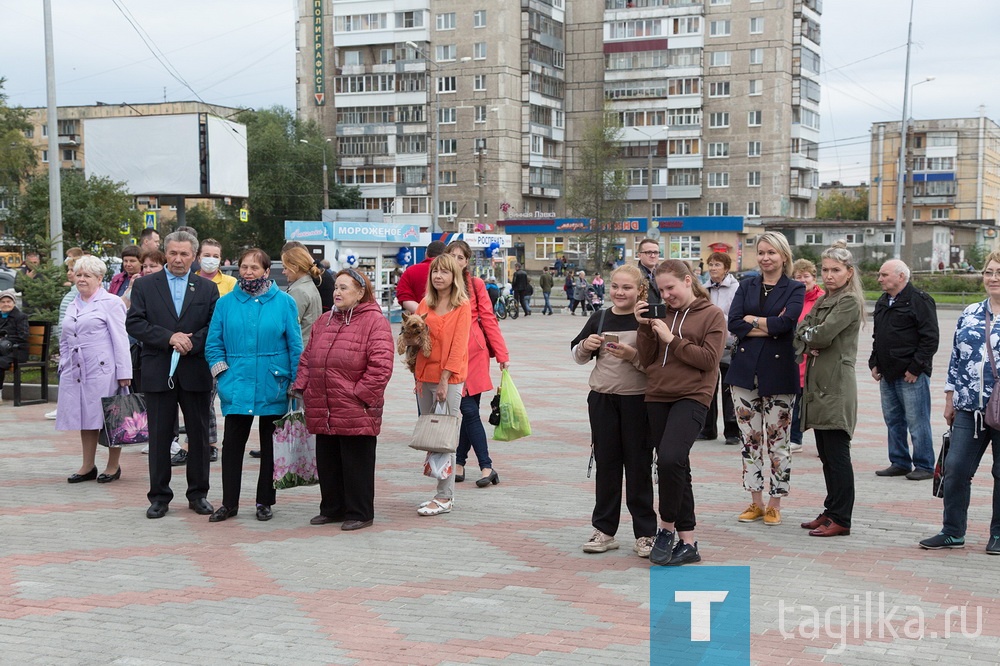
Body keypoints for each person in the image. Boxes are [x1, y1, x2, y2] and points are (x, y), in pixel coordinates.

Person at [636, 260, 726, 566]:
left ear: (688, 281)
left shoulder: (711, 314)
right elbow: (647, 360)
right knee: (677, 467)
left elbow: (708, 360)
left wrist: (671, 340)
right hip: (657, 394)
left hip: (693, 394)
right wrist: (644, 327)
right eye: (661, 290)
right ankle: (689, 543)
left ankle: (666, 528)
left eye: (670, 287)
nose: (666, 295)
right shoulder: (661, 314)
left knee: (671, 458)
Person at [126, 230, 219, 519]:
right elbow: (135, 323)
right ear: (166, 253)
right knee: (159, 437)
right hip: (158, 371)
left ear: (194, 257)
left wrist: (192, 342)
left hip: (195, 371)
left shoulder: (206, 289)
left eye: (185, 254)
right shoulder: (145, 286)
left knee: (199, 436)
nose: (179, 259)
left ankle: (198, 494)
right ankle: (159, 497)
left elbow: (214, 326)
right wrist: (169, 337)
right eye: (174, 253)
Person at [205, 249, 302, 523]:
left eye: (255, 268)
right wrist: (222, 375)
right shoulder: (225, 303)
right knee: (232, 445)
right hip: (236, 382)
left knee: (271, 447)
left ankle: (265, 501)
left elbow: (295, 345)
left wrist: (296, 381)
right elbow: (213, 345)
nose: (249, 272)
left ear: (266, 271)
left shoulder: (284, 302)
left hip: (274, 380)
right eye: (244, 267)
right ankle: (229, 503)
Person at [293, 268, 393, 530]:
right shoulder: (325, 320)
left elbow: (381, 366)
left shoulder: (374, 321)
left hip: (355, 406)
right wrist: (302, 387)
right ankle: (332, 508)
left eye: (344, 288)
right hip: (322, 403)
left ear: (361, 292)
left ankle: (360, 512)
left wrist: (360, 396)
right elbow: (307, 357)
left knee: (355, 462)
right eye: (336, 287)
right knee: (328, 460)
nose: (337, 292)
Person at [571, 265, 656, 558]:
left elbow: (657, 365)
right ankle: (604, 530)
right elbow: (577, 355)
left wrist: (632, 355)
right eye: (615, 287)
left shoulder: (648, 319)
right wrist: (586, 344)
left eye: (627, 288)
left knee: (638, 466)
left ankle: (646, 533)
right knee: (606, 465)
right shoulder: (601, 317)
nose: (620, 293)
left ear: (639, 291)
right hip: (603, 400)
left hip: (638, 401)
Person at [919, 252, 1000, 553]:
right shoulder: (970, 312)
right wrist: (950, 397)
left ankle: (999, 534)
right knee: (955, 469)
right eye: (989, 272)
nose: (993, 278)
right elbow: (956, 358)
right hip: (968, 407)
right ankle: (952, 531)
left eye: (999, 272)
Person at [727, 232, 804, 528]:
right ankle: (755, 501)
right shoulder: (746, 285)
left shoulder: (795, 288)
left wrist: (753, 321)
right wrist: (768, 326)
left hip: (779, 374)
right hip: (744, 374)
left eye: (771, 252)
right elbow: (734, 323)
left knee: (778, 441)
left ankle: (775, 503)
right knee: (750, 441)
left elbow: (787, 325)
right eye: (761, 252)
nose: (765, 258)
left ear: (783, 256)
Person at [795, 241, 864, 538]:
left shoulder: (848, 301)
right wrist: (810, 338)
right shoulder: (826, 299)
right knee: (826, 454)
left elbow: (820, 335)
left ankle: (842, 518)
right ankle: (831, 509)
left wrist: (811, 338)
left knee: (837, 455)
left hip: (835, 386)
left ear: (849, 273)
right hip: (819, 385)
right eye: (825, 269)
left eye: (835, 270)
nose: (829, 275)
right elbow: (802, 329)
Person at [55, 257, 132, 483]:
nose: (81, 279)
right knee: (84, 417)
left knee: (110, 417)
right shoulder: (72, 303)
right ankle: (87, 465)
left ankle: (112, 466)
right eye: (79, 275)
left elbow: (120, 339)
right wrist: (63, 363)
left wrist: (123, 373)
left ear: (99, 279)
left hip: (103, 370)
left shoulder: (111, 302)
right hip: (76, 371)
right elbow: (65, 337)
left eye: (87, 275)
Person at [446, 241, 510, 487]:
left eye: (461, 257)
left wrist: (502, 355)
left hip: (475, 355)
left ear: (466, 262)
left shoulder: (476, 284)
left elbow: (488, 319)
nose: (456, 260)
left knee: (468, 410)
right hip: (450, 357)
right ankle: (485, 465)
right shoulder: (439, 283)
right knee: (469, 411)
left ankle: (465, 464)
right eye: (452, 256)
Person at [870, 260, 939, 481]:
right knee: (893, 420)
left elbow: (930, 339)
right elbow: (877, 335)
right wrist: (874, 362)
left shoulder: (919, 300)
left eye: (884, 275)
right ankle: (899, 461)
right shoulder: (883, 301)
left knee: (917, 421)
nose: (880, 279)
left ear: (901, 277)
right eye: (879, 275)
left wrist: (915, 368)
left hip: (911, 375)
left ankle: (925, 465)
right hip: (887, 373)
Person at [414, 254, 471, 516]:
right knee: (432, 435)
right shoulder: (426, 303)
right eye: (435, 272)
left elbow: (459, 346)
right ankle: (439, 491)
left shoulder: (462, 306)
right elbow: (414, 334)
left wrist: (444, 380)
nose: (438, 276)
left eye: (444, 272)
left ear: (454, 277)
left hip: (449, 379)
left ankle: (445, 496)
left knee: (445, 437)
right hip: (424, 376)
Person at [700, 252, 741, 445]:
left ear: (726, 267)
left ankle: (732, 431)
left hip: (729, 342)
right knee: (707, 386)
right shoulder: (703, 289)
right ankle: (707, 428)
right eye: (711, 264)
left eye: (717, 264)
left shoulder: (736, 288)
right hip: (707, 343)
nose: (713, 268)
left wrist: (717, 320)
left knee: (728, 388)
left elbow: (737, 314)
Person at [789, 259, 824, 452]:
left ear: (814, 278)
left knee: (817, 401)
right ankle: (795, 438)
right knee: (796, 400)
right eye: (798, 277)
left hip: (815, 358)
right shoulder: (792, 298)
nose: (802, 280)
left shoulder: (822, 299)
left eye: (806, 276)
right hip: (796, 356)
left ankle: (825, 442)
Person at [281, 246, 323, 348]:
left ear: (295, 267)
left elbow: (288, 326)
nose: (283, 272)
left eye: (285, 267)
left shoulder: (299, 291)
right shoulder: (309, 286)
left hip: (299, 349)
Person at [397, 240, 446, 313]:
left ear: (426, 254)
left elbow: (403, 297)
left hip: (418, 321)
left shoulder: (410, 271)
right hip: (447, 319)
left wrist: (423, 313)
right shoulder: (451, 272)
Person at [0, 289, 29, 407]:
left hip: (17, 351)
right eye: (3, 302)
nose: (6, 304)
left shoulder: (20, 317)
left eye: (9, 301)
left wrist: (5, 341)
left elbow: (23, 336)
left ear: (14, 303)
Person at [635, 238, 663, 306]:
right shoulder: (635, 276)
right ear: (639, 255)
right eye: (648, 252)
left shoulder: (661, 274)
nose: (653, 256)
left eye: (655, 252)